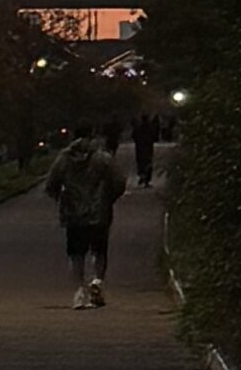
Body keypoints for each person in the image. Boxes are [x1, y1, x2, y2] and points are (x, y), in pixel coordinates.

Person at [44, 128, 128, 309]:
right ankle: (97, 281)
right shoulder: (103, 158)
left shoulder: (64, 159)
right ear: (93, 137)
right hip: (99, 212)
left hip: (73, 213)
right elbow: (119, 182)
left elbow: (51, 184)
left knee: (76, 254)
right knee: (99, 251)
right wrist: (108, 198)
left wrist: (61, 198)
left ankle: (78, 291)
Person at [131, 111, 162, 188]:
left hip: (140, 148)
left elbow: (134, 136)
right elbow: (154, 136)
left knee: (141, 163)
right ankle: (146, 179)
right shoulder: (149, 128)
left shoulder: (139, 128)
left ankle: (142, 176)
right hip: (147, 147)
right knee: (148, 163)